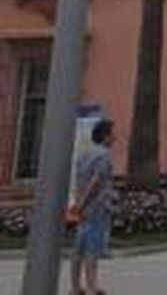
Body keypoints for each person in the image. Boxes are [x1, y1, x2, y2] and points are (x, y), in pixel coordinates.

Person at [69, 118, 116, 295]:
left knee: (78, 248)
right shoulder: (103, 155)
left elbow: (79, 180)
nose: (115, 137)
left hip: (83, 207)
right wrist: (83, 203)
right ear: (105, 136)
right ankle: (91, 287)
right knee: (93, 248)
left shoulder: (84, 154)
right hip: (96, 206)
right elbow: (96, 181)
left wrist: (77, 203)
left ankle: (75, 287)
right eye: (113, 134)